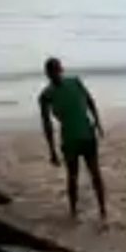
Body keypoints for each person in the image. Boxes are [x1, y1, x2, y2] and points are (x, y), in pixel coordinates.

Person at [39, 57, 107, 220]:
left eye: (57, 70)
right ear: (47, 74)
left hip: (87, 134)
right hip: (69, 140)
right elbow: (47, 124)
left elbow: (90, 101)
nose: (55, 74)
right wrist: (52, 150)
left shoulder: (75, 82)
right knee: (72, 176)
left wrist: (97, 122)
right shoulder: (45, 95)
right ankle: (73, 211)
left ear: (61, 70)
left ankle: (102, 209)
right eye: (52, 72)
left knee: (95, 173)